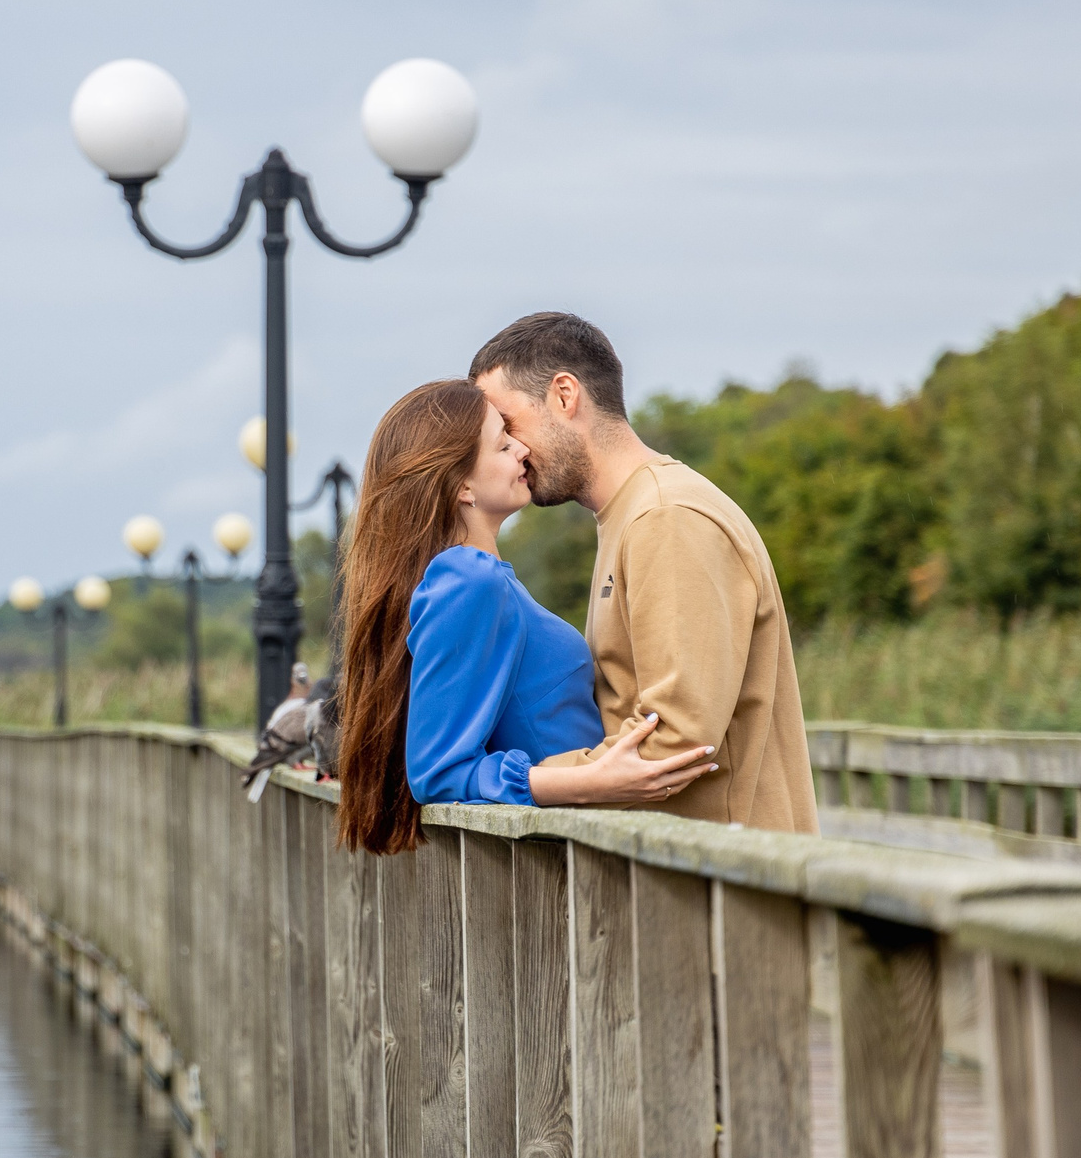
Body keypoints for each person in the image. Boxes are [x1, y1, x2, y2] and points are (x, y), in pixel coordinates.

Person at [470, 311, 818, 835]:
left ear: (564, 395)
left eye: (508, 423)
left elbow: (675, 740)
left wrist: (520, 781)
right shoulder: (632, 515)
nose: (512, 449)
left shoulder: (666, 516)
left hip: (722, 874)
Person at [334, 379, 716, 856]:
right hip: (562, 855)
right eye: (503, 444)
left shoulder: (485, 579)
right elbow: (437, 772)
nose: (522, 450)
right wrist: (588, 780)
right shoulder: (471, 580)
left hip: (579, 844)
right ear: (463, 486)